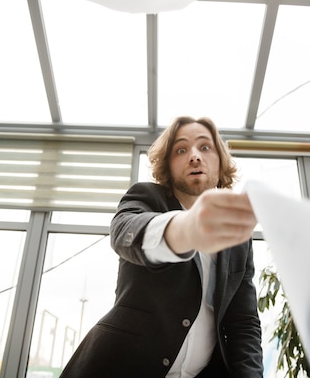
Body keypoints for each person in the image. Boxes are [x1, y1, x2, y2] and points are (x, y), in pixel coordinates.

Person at [59, 116, 263, 377]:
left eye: (205, 147)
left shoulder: (240, 240)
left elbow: (243, 323)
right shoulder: (145, 197)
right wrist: (186, 228)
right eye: (181, 149)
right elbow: (124, 233)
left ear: (220, 160)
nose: (194, 156)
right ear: (168, 164)